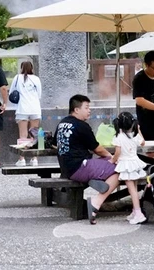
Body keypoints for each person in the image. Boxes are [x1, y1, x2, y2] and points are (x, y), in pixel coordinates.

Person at [57, 94, 120, 225]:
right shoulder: (81, 126)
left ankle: (99, 181)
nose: (89, 110)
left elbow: (54, 143)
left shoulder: (62, 123)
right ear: (76, 110)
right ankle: (96, 203)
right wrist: (113, 158)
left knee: (105, 162)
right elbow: (98, 149)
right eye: (86, 107)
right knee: (121, 169)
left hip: (66, 169)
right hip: (80, 167)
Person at [110, 112, 147, 225]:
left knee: (132, 191)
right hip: (135, 163)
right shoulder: (135, 135)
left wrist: (112, 160)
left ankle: (138, 213)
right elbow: (143, 142)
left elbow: (117, 152)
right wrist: (139, 129)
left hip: (126, 165)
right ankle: (134, 212)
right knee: (134, 189)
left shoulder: (118, 137)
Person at [10, 61, 43, 167]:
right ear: (32, 68)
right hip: (35, 109)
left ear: (21, 68)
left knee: (23, 135)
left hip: (22, 109)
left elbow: (11, 92)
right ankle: (34, 159)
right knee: (34, 134)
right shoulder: (36, 79)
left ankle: (22, 159)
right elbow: (39, 95)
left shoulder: (17, 78)